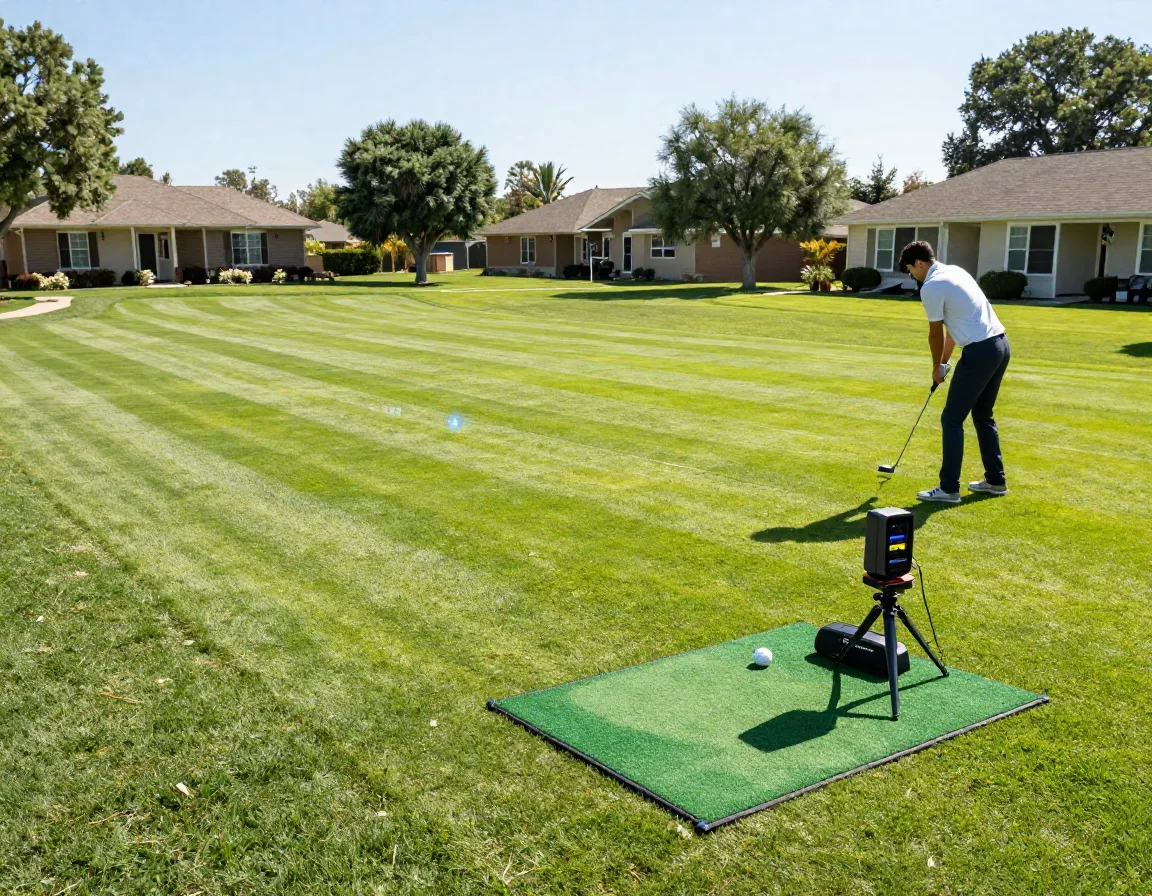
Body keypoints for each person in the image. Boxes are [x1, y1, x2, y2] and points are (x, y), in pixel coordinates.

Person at [898, 240, 1010, 504]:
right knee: (982, 414)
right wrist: (944, 364)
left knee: (951, 419)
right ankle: (996, 481)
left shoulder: (932, 286)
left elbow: (935, 334)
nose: (912, 275)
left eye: (910, 270)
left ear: (920, 263)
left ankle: (949, 488)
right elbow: (952, 329)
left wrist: (935, 368)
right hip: (1000, 345)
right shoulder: (955, 272)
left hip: (980, 352)